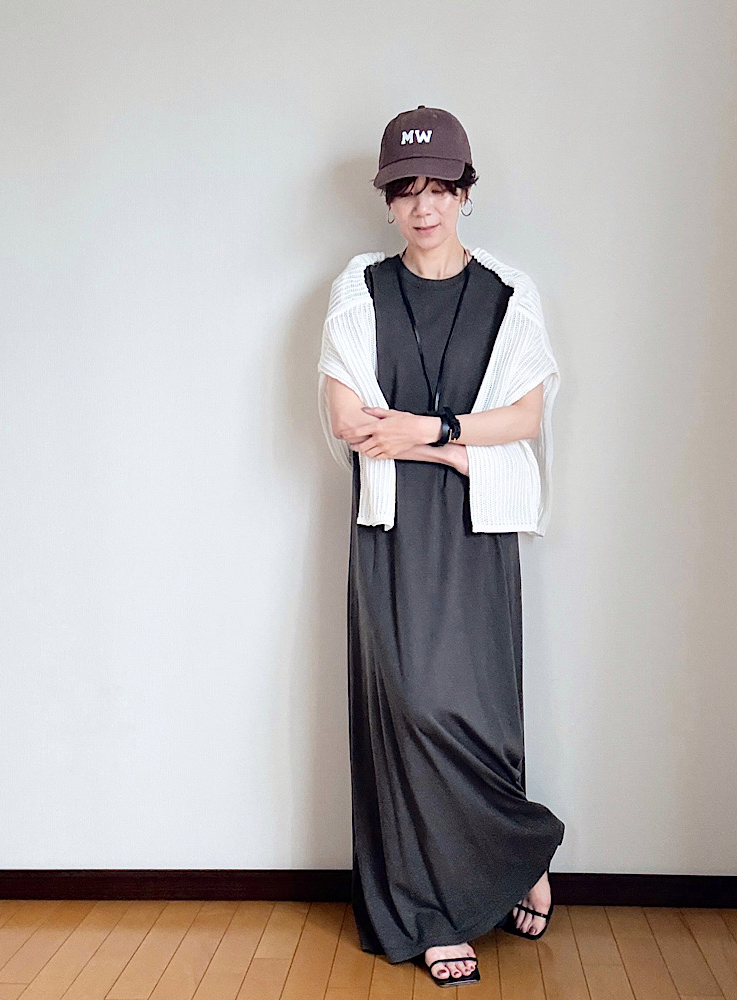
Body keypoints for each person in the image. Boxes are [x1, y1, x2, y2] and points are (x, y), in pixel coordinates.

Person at [317, 106, 566, 988]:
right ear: (388, 200)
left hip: (476, 529)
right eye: (406, 190)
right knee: (411, 712)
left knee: (482, 717)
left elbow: (527, 415)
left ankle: (513, 860)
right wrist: (454, 445)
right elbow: (347, 417)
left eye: (438, 188)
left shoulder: (508, 292)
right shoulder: (361, 287)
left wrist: (428, 432)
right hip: (393, 530)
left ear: (465, 192)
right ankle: (434, 907)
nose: (423, 207)